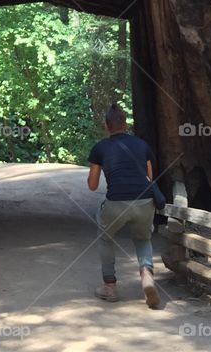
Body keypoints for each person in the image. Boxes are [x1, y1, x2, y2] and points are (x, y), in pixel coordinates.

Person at [86, 103, 159, 307]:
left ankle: (110, 287)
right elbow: (150, 179)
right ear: (125, 124)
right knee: (143, 239)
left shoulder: (99, 148)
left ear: (106, 126)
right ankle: (146, 275)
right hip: (144, 201)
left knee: (105, 237)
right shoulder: (142, 145)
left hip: (116, 203)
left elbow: (92, 186)